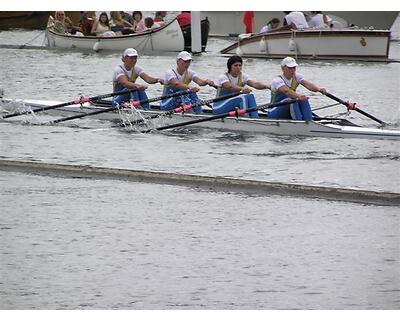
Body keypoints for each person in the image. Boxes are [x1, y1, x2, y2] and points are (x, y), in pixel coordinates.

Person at [268, 57, 326, 121]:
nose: (293, 70)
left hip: (288, 108)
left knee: (304, 99)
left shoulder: (297, 76)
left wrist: (319, 89)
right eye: (290, 68)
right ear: (283, 68)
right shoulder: (277, 80)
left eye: (294, 68)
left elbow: (308, 85)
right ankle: (299, 123)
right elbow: (286, 91)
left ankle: (309, 121)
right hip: (274, 111)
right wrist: (299, 96)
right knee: (293, 100)